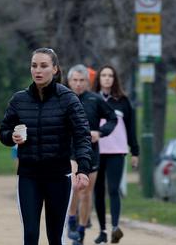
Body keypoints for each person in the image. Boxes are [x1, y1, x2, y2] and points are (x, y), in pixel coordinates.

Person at [0, 48, 92, 245]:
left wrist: (83, 168)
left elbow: (82, 135)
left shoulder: (68, 99)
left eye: (43, 66)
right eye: (34, 66)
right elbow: (4, 132)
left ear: (55, 69)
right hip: (29, 176)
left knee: (55, 237)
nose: (38, 70)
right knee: (30, 234)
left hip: (58, 176)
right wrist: (12, 136)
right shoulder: (19, 100)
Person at [65, 65, 117, 245]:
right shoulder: (62, 98)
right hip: (69, 150)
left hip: (90, 151)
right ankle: (71, 220)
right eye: (75, 80)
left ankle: (80, 232)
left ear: (88, 82)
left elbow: (113, 118)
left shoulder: (95, 100)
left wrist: (100, 132)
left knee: (86, 193)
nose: (78, 84)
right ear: (69, 81)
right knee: (73, 186)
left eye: (82, 80)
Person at [92, 65, 139, 244]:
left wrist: (135, 151)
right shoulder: (92, 99)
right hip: (96, 150)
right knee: (98, 191)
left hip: (117, 151)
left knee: (113, 189)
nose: (107, 78)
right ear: (99, 78)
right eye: (103, 75)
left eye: (110, 75)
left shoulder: (123, 101)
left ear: (114, 79)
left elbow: (131, 127)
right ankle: (102, 230)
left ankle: (115, 228)